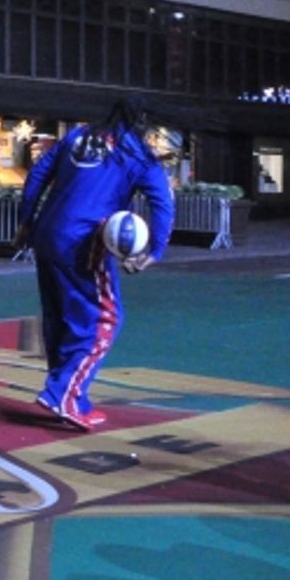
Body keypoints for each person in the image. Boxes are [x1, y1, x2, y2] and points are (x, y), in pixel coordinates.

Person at [14, 97, 174, 431]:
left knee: (60, 316)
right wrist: (155, 250)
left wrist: (27, 222)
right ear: (140, 121)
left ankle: (73, 395)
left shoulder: (77, 136)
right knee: (105, 318)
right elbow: (162, 202)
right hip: (83, 241)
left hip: (47, 235)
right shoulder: (137, 152)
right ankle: (64, 394)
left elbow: (38, 174)